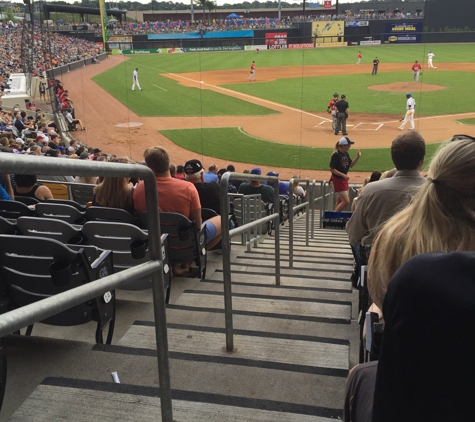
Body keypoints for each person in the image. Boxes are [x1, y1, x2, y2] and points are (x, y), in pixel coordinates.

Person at [133, 147, 222, 275]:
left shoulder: (140, 187)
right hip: (185, 246)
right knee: (222, 220)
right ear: (168, 164)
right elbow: (197, 225)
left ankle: (180, 261)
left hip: (155, 245)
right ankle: (189, 259)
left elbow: (139, 215)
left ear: (150, 168)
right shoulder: (187, 187)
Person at [346, 131, 426, 248]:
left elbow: (354, 236)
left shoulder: (370, 190)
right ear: (421, 161)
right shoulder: (437, 191)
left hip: (376, 262)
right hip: (423, 262)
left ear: (394, 160)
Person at [329, 137, 361, 212]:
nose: (350, 146)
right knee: (346, 201)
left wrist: (358, 157)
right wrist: (343, 175)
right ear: (343, 145)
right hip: (338, 180)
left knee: (340, 200)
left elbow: (351, 165)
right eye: (348, 145)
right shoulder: (336, 155)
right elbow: (331, 169)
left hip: (343, 180)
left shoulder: (345, 154)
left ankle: (335, 216)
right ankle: (334, 217)